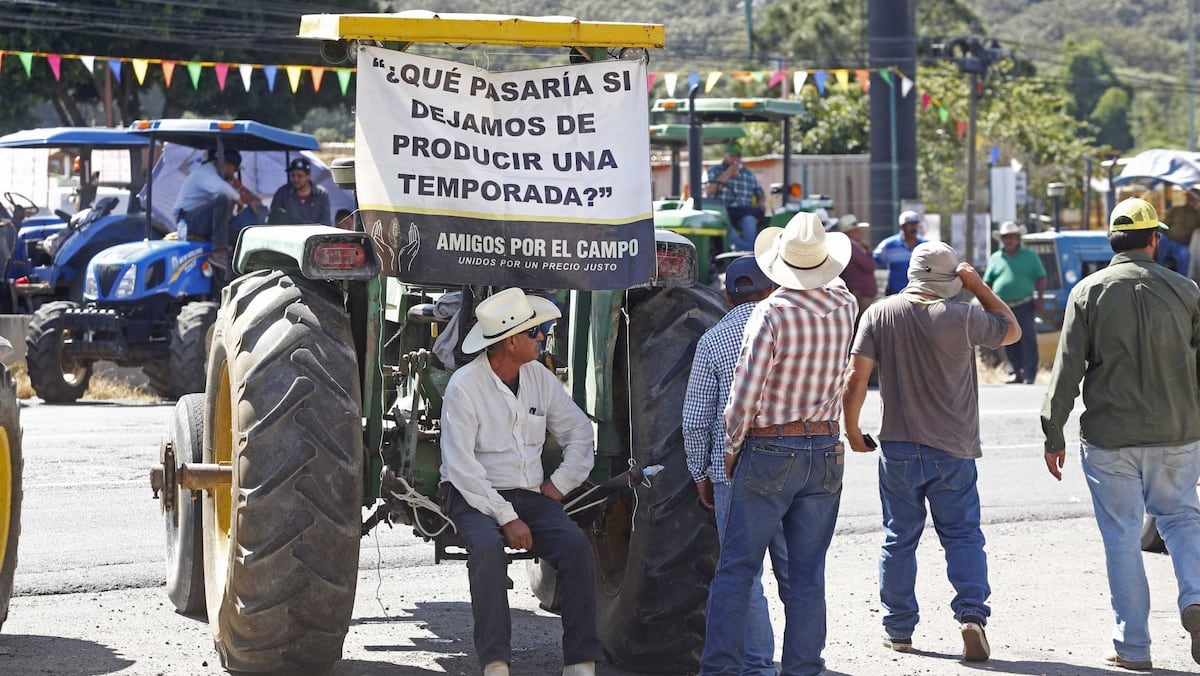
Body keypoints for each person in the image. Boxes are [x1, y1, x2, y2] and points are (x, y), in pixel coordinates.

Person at [1041, 196, 1200, 672]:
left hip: (1110, 438)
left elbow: (1066, 370)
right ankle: (1195, 597)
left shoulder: (1088, 292)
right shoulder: (1187, 291)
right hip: (1178, 432)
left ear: (1113, 242)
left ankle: (1133, 647)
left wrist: (1054, 432)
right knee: (1182, 519)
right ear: (1155, 239)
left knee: (1122, 537)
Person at [843, 241, 1018, 663]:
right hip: (953, 447)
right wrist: (978, 285)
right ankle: (971, 615)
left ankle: (898, 629)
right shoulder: (963, 316)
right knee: (961, 535)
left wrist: (851, 430)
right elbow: (1011, 330)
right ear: (949, 280)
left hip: (899, 447)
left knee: (898, 538)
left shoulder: (879, 314)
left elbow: (856, 378)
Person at [701, 212, 857, 676]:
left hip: (771, 448)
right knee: (807, 575)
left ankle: (721, 670)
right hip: (826, 449)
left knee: (737, 570)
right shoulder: (846, 303)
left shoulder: (770, 313)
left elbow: (743, 397)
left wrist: (730, 449)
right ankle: (803, 669)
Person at [439, 287, 601, 676]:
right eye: (535, 332)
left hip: (528, 493)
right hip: (473, 495)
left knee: (577, 549)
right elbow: (461, 469)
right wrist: (507, 516)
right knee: (488, 551)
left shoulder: (539, 378)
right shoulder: (463, 386)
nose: (542, 336)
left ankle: (581, 662)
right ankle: (496, 662)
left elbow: (579, 432)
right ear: (511, 341)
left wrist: (561, 484)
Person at [683, 255, 786, 676]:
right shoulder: (795, 331)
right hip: (797, 460)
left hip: (734, 469)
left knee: (744, 575)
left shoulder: (713, 339)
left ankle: (758, 666)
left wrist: (700, 473)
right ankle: (799, 664)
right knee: (798, 576)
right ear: (772, 289)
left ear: (725, 296)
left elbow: (695, 420)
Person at [172, 148, 262, 267]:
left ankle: (248, 263)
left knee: (240, 235)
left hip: (201, 220)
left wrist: (248, 202)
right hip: (187, 220)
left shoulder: (219, 178)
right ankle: (218, 253)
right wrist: (239, 201)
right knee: (222, 199)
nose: (233, 173)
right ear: (228, 165)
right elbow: (223, 190)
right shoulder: (206, 172)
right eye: (234, 169)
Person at [983, 221, 1046, 384]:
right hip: (1003, 306)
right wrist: (987, 303)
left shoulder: (1030, 256)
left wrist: (1040, 300)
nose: (1008, 240)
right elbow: (987, 282)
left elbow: (1041, 277)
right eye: (1005, 237)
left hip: (1024, 304)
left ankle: (1029, 375)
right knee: (1008, 339)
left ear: (1018, 238)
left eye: (1011, 237)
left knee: (1028, 339)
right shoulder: (996, 257)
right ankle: (1015, 372)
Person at [705, 141, 765, 252]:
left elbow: (761, 194)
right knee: (726, 225)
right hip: (722, 212)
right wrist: (728, 173)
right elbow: (708, 191)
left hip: (744, 212)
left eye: (738, 156)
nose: (736, 159)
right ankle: (748, 252)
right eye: (732, 156)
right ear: (725, 155)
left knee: (750, 220)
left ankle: (749, 252)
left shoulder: (748, 174)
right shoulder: (713, 171)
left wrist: (760, 204)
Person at [836, 213, 878, 325]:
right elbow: (870, 266)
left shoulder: (851, 245)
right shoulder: (851, 246)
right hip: (861, 294)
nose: (859, 232)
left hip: (859, 293)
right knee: (866, 326)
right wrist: (868, 253)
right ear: (849, 231)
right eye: (856, 230)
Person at [873, 210, 927, 295]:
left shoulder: (926, 245)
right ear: (901, 227)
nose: (913, 227)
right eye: (910, 224)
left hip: (920, 294)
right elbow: (872, 262)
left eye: (915, 224)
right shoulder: (888, 245)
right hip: (895, 294)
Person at [268, 156, 332, 225]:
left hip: (313, 234)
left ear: (308, 176)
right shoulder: (282, 193)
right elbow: (273, 218)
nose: (295, 179)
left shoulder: (321, 193)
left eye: (299, 176)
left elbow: (326, 221)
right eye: (293, 175)